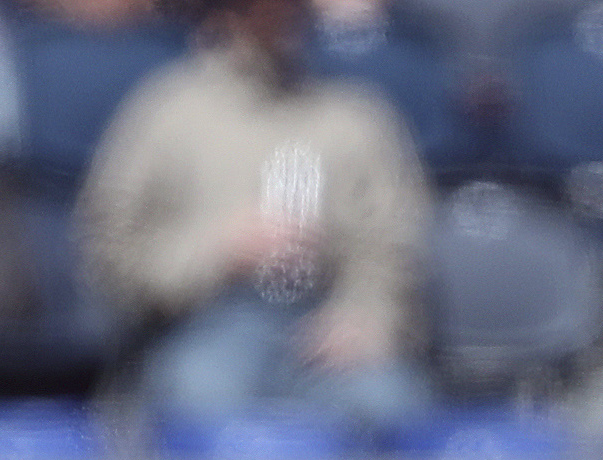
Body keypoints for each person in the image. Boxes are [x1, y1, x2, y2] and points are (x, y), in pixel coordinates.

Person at [77, 0, 432, 431]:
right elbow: (112, 253)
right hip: (201, 329)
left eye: (292, 10)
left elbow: (391, 245)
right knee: (199, 397)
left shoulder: (353, 116)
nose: (282, 19)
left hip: (320, 329)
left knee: (392, 404)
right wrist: (216, 251)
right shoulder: (166, 111)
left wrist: (368, 317)